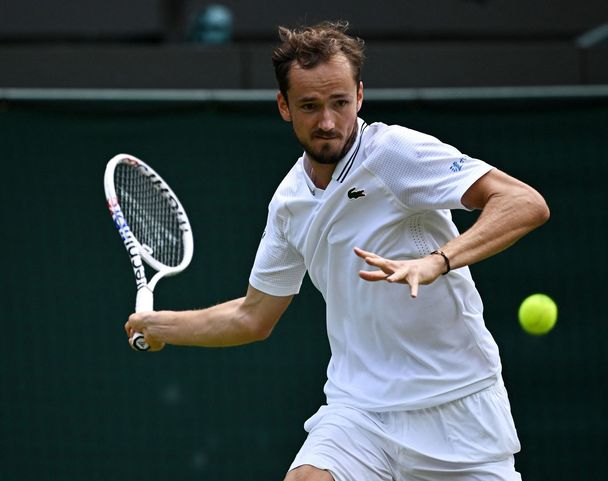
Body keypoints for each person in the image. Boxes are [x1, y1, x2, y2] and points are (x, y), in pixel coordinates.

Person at [126, 20, 550, 481]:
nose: (327, 122)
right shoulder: (289, 203)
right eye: (310, 106)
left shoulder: (393, 153)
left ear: (360, 97)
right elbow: (254, 317)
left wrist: (437, 261)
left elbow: (523, 202)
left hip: (457, 410)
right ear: (284, 106)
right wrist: (162, 326)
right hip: (359, 411)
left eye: (340, 103)